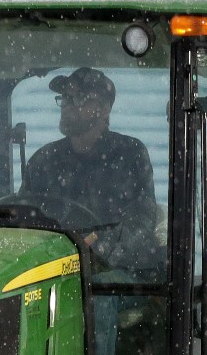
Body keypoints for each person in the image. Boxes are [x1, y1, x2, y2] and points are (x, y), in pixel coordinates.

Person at [14, 67, 160, 270]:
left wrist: (99, 250)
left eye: (79, 98)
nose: (67, 105)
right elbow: (22, 219)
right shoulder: (43, 161)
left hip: (120, 278)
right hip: (55, 274)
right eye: (65, 97)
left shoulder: (129, 154)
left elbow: (142, 220)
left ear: (104, 108)